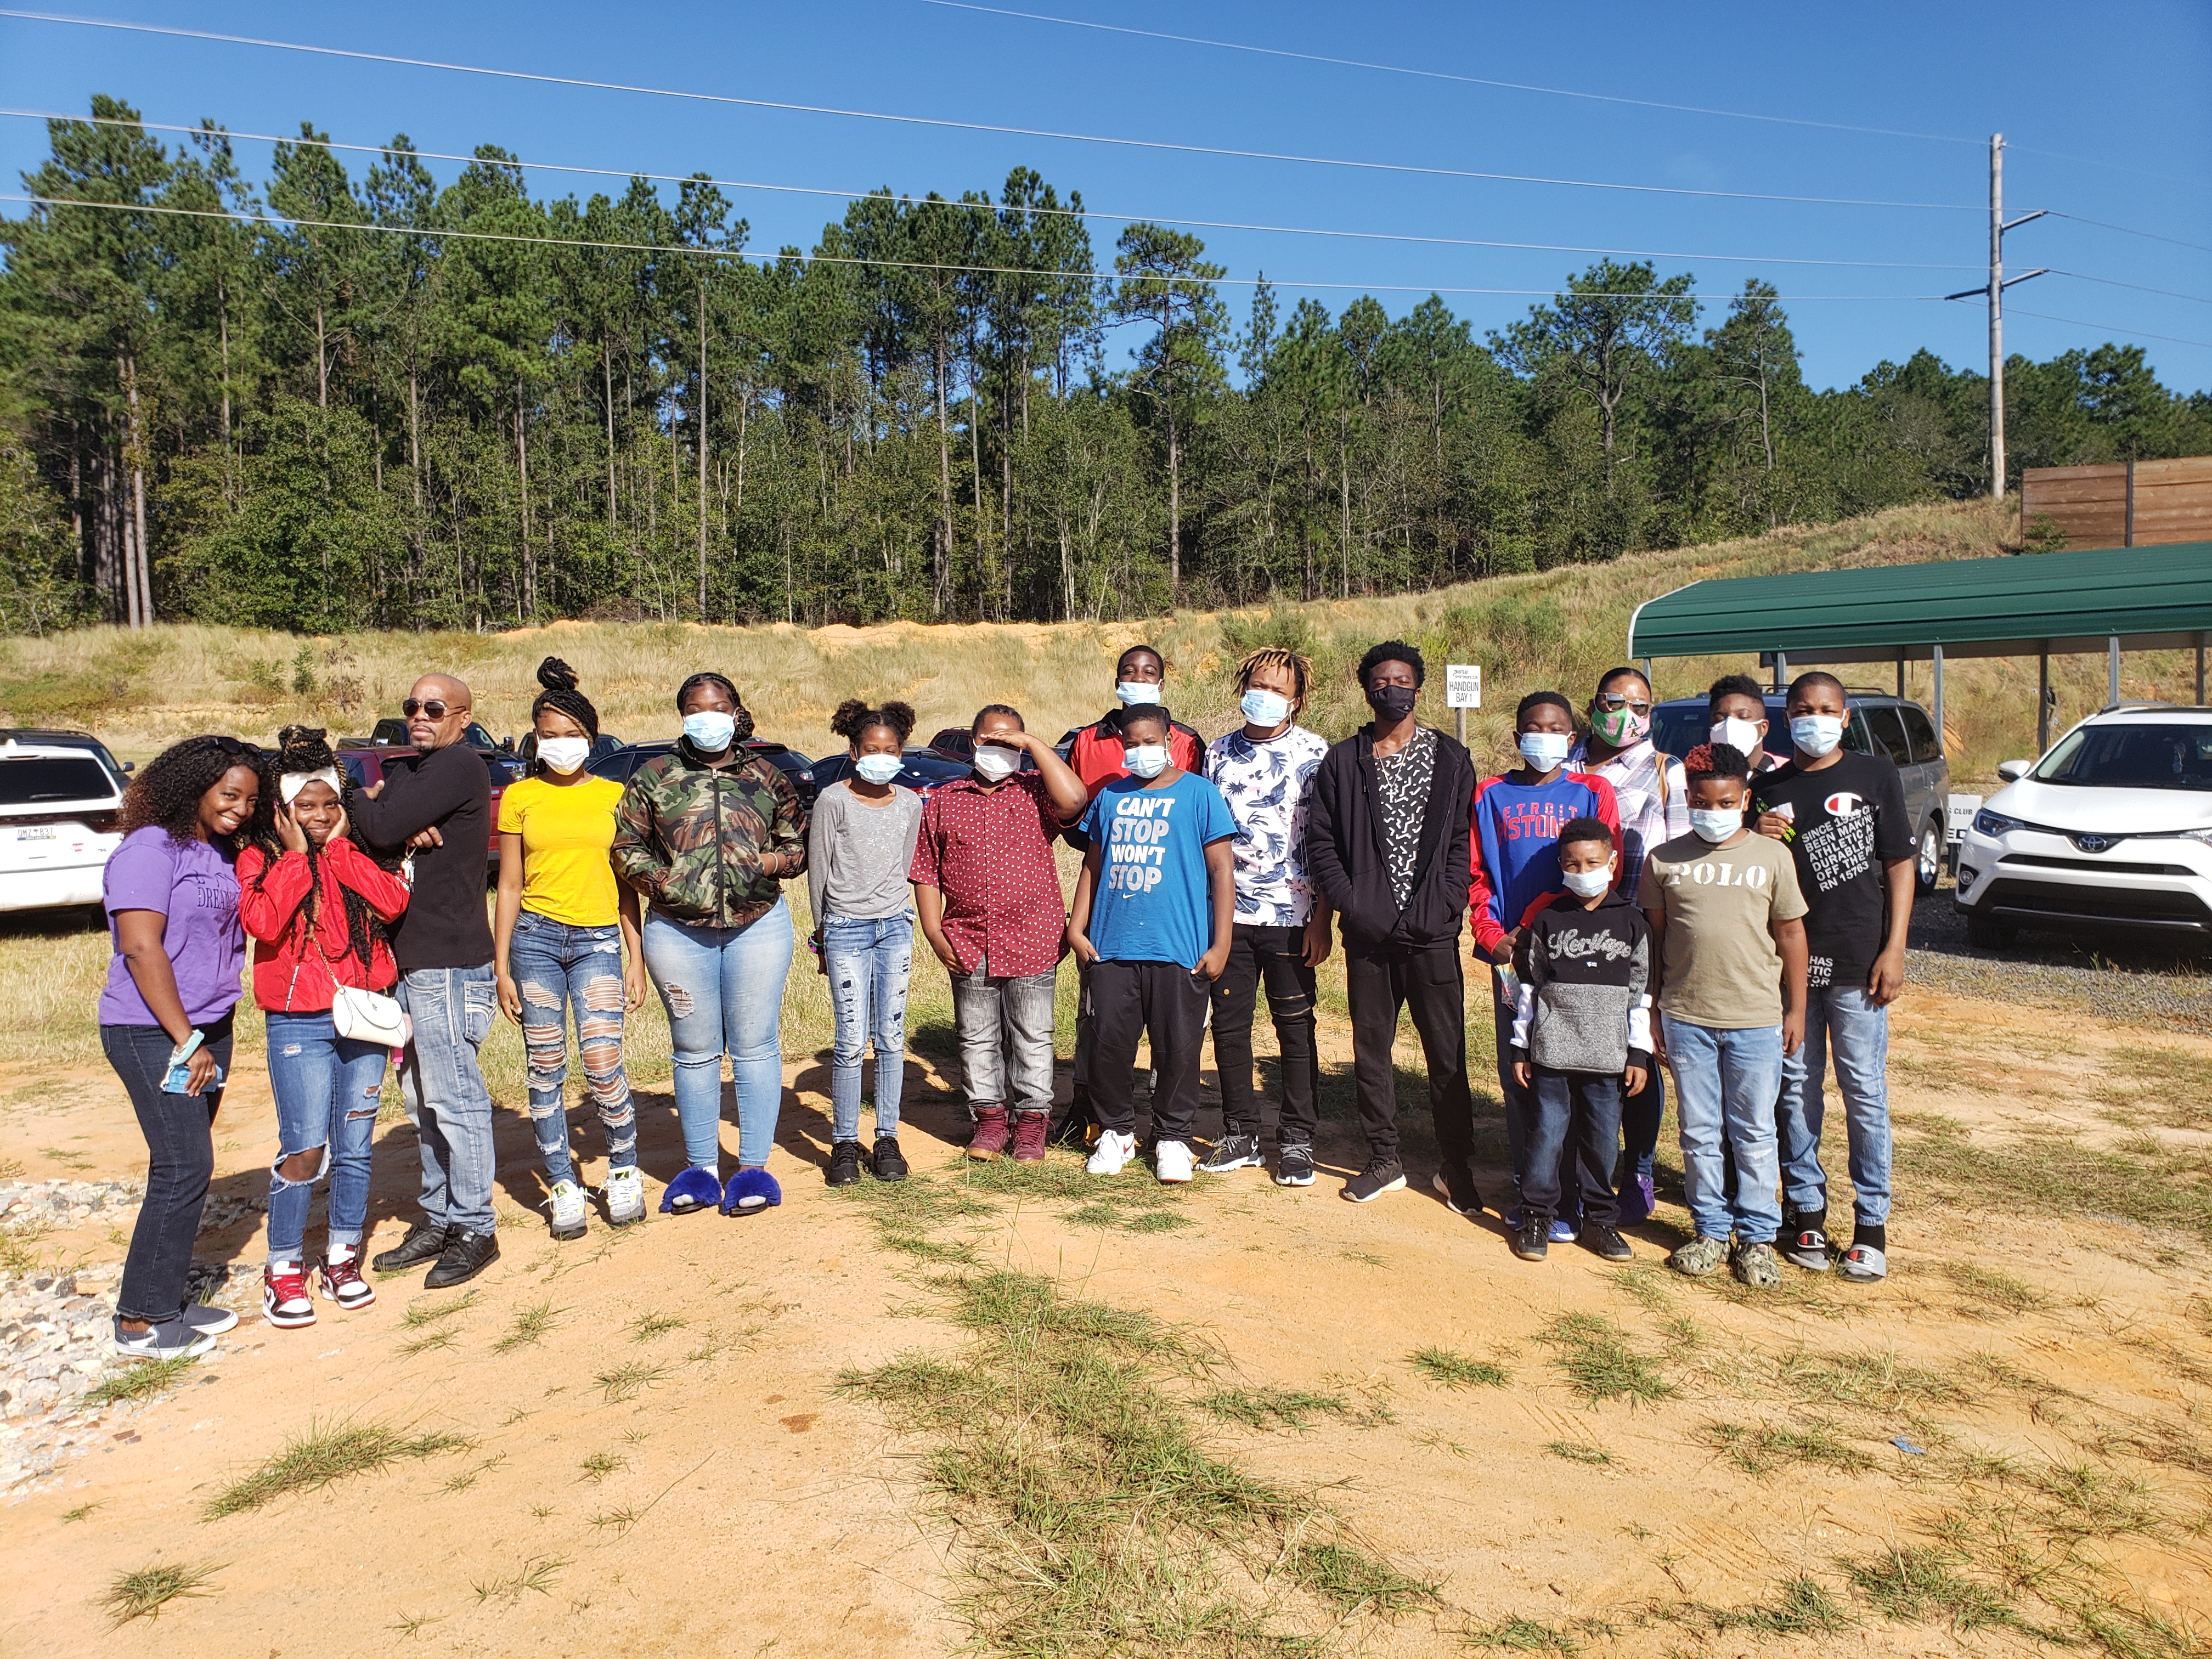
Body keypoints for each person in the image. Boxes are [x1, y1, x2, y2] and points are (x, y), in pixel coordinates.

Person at [99, 735, 269, 1360]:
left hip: (209, 1028)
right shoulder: (147, 850)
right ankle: (140, 1321)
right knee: (184, 1165)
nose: (241, 809)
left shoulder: (221, 852)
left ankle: (164, 1297)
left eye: (251, 799)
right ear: (192, 786)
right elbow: (142, 948)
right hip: (155, 1033)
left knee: (182, 1164)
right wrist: (186, 1039)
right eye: (230, 794)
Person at [613, 673, 808, 1217]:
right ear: (682, 717)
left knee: (755, 1047)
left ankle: (753, 1168)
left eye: (718, 707)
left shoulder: (768, 776)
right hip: (677, 933)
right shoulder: (655, 776)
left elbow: (798, 847)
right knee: (695, 1051)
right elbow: (626, 848)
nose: (708, 717)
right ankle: (700, 1169)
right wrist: (666, 883)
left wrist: (766, 862)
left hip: (758, 926)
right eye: (696, 709)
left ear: (736, 711)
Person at [237, 728, 411, 1328]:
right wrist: (293, 860)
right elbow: (262, 921)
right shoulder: (261, 858)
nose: (317, 816)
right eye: (304, 807)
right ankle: (283, 1266)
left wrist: (338, 853)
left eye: (328, 805)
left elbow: (391, 903)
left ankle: (342, 1256)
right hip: (298, 1021)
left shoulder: (352, 852)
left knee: (357, 1143)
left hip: (361, 1018)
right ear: (282, 809)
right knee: (306, 1145)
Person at [1753, 672, 1914, 1283]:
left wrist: (1894, 947)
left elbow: (1900, 864)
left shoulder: (1875, 776)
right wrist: (1751, 829)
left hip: (1858, 963)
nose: (1813, 718)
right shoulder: (1765, 789)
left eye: (1826, 709)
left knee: (1863, 1093)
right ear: (1786, 716)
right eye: (1801, 709)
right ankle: (1807, 1211)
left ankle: (1871, 1224)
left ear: (1845, 718)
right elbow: (1750, 870)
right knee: (1795, 1091)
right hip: (1789, 967)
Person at [1306, 641, 1480, 1205]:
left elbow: (1460, 845)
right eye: (1381, 683)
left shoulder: (1452, 758)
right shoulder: (1342, 761)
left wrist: (1445, 904)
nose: (1392, 691)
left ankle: (1457, 1165)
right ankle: (1384, 1159)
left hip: (1432, 933)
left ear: (1419, 689)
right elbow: (1323, 843)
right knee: (1371, 1050)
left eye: (1401, 681)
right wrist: (1354, 906)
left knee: (1446, 1054)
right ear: (1366, 691)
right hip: (1368, 935)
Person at [352, 674, 503, 1291]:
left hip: (449, 962)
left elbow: (378, 828)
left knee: (454, 1097)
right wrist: (388, 818)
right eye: (411, 705)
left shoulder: (461, 763)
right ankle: (439, 1216)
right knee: (420, 1101)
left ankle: (476, 1226)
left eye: (434, 708)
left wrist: (373, 807)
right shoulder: (416, 772)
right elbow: (381, 832)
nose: (420, 715)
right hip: (410, 963)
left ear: (463, 717)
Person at [1639, 743, 1808, 1290]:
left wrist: (1797, 1007)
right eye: (1704, 802)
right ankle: (1711, 1229)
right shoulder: (1664, 860)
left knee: (1756, 1133)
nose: (1715, 811)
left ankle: (1757, 1239)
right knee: (1699, 1131)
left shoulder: (1772, 857)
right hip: (1687, 1017)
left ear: (1746, 799)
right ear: (1690, 799)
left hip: (1757, 1019)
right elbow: (1658, 940)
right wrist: (1657, 1010)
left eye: (1727, 802)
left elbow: (1791, 934)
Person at [493, 659, 647, 1243]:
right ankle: (562, 1183)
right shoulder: (519, 796)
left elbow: (628, 882)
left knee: (604, 1063)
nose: (560, 746)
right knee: (546, 1067)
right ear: (534, 739)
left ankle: (624, 1170)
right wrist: (501, 964)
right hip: (534, 941)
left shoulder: (615, 796)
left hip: (598, 941)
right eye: (549, 737)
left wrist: (636, 957)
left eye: (572, 736)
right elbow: (509, 884)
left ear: (592, 737)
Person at [909, 704, 1090, 1163]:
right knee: (976, 1037)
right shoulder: (946, 799)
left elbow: (1075, 800)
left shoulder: (1036, 792)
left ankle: (1032, 1125)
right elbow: (927, 869)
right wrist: (934, 931)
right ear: (974, 743)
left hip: (1034, 937)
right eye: (993, 740)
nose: (1002, 748)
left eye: (1012, 741)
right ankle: (989, 1122)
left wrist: (1032, 748)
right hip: (967, 940)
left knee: (1033, 1035)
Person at [1469, 691, 1621, 1235]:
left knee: (1581, 1073)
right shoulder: (1491, 794)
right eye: (1533, 727)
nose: (1544, 736)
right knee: (1523, 1072)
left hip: (1580, 959)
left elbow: (1608, 868)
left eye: (1556, 727)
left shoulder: (1592, 791)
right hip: (1512, 957)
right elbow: (1479, 873)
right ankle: (1531, 1185)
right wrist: (1493, 937)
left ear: (1572, 737)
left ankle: (1581, 1193)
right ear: (1516, 737)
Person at [1068, 704, 1238, 1182]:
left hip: (1179, 947)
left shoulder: (1200, 794)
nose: (1140, 751)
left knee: (1178, 1050)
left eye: (1150, 742)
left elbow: (1222, 871)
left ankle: (1173, 1138)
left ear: (1169, 741)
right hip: (1112, 946)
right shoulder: (1110, 798)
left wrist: (1221, 942)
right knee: (1109, 1046)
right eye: (1131, 743)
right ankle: (1117, 1132)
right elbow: (1092, 867)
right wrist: (1076, 929)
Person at [1057, 644, 1205, 1145]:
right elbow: (1083, 831)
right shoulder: (1084, 740)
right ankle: (1093, 1115)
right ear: (1115, 679)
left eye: (1149, 672)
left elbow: (1196, 828)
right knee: (1100, 1025)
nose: (1138, 678)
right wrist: (1078, 923)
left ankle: (1171, 1131)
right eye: (1129, 671)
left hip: (1170, 914)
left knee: (1174, 1035)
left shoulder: (1188, 743)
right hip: (1112, 909)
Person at [1198, 647, 1332, 1186]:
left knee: (1295, 1029)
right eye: (1257, 685)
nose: (1266, 696)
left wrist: (1322, 919)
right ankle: (1240, 1134)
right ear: (1241, 687)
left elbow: (1326, 841)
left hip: (1293, 915)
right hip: (1228, 917)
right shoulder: (1217, 754)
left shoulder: (1316, 754)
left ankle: (1298, 1141)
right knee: (1230, 1028)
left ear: (1297, 699)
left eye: (1278, 689)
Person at [1570, 665, 1687, 1226]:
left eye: (1642, 709)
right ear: (1594, 704)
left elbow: (1681, 860)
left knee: (1636, 1049)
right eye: (1618, 704)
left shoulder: (1665, 772)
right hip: (1565, 930)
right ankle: (1579, 1164)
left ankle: (1638, 1165)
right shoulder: (1560, 765)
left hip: (1636, 929)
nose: (1629, 718)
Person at [1505, 818, 1650, 1264]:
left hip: (1608, 1058)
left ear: (1611, 863)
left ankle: (1600, 1220)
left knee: (1602, 1141)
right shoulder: (1548, 919)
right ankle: (1537, 1215)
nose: (1582, 870)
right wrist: (1520, 1047)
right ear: (1561, 866)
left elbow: (1641, 995)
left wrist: (1638, 1053)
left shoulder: (1632, 922)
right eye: (1572, 863)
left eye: (1592, 862)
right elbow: (1528, 989)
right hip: (1552, 1052)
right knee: (1547, 1135)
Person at [808, 698, 925, 1187]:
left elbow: (909, 866)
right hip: (846, 931)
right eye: (872, 749)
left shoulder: (911, 804)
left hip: (895, 927)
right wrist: (822, 937)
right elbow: (819, 872)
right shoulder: (833, 801)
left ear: (901, 754)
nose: (882, 757)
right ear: (854, 751)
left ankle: (887, 1136)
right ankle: (843, 1142)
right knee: (851, 1041)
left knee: (892, 1038)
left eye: (891, 750)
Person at [1708, 674, 1785, 774]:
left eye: (1743, 716)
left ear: (1763, 728)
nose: (1729, 725)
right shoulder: (1692, 778)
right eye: (1720, 719)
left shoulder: (1786, 774)